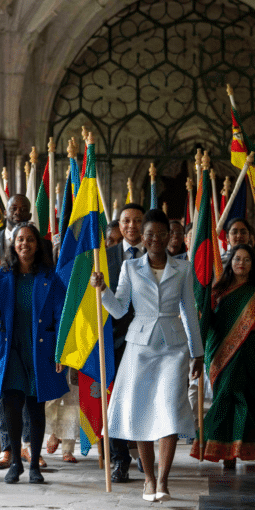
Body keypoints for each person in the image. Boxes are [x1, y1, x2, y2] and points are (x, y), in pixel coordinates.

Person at [91, 209, 204, 501]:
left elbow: (189, 311)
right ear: (143, 238)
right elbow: (119, 309)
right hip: (139, 348)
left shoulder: (183, 268)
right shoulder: (130, 268)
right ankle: (149, 479)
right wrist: (102, 290)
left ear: (170, 237)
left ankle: (164, 481)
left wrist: (198, 352)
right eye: (149, 234)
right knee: (141, 410)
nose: (155, 239)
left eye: (161, 234)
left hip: (173, 347)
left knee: (169, 407)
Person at [0, 223, 68, 484]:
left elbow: (60, 316)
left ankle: (34, 464)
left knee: (35, 409)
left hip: (39, 350)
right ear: (13, 244)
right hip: (10, 351)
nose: (25, 244)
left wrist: (59, 352)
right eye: (20, 239)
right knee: (10, 407)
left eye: (30, 239)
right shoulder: (1, 278)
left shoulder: (50, 278)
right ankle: (14, 464)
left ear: (37, 244)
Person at [192, 244, 255, 468]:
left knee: (251, 401)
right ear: (230, 263)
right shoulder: (218, 292)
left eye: (247, 259)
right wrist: (203, 303)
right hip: (223, 354)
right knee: (226, 398)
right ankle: (224, 451)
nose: (241, 263)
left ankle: (237, 446)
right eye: (237, 259)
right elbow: (208, 322)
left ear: (253, 265)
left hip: (253, 352)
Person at [103, 203, 146, 482]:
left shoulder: (157, 257)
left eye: (137, 221)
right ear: (119, 225)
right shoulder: (104, 258)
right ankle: (120, 459)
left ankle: (145, 454)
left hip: (148, 340)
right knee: (115, 401)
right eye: (126, 221)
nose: (131, 226)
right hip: (114, 339)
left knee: (144, 398)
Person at [0, 194, 33, 470]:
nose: (18, 212)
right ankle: (6, 447)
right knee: (3, 390)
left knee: (30, 389)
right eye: (13, 208)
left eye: (23, 209)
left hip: (29, 328)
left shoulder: (36, 241)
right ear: (5, 211)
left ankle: (29, 445)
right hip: (0, 325)